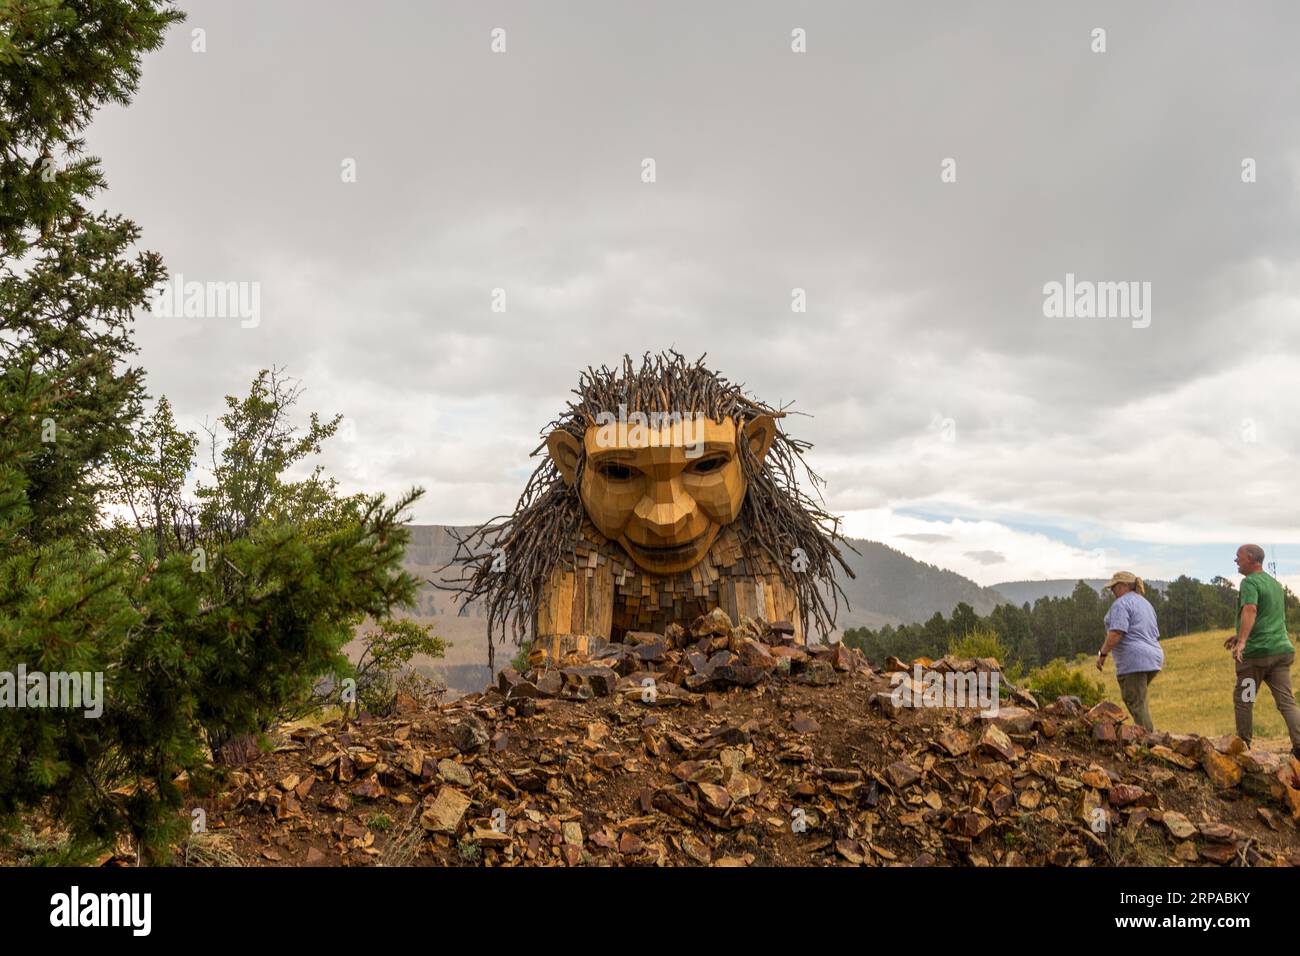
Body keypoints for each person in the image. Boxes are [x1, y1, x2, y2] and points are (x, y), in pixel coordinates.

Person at [1225, 544, 1300, 758]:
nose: (1235, 560)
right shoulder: (1275, 585)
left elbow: (1251, 609)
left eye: (1238, 556)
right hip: (1280, 654)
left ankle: (1244, 747)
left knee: (1245, 698)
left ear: (1250, 558)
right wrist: (1239, 635)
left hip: (1256, 659)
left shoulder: (1249, 582)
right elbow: (1267, 616)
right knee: (1286, 701)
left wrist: (1242, 643)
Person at [1096, 571, 1163, 731]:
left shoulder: (1121, 604)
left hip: (1134, 660)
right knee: (1139, 699)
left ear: (1123, 586)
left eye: (1114, 587)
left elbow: (1117, 632)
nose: (1112, 591)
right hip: (1154, 657)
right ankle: (1146, 737)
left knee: (1135, 702)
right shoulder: (1145, 604)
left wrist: (1102, 653)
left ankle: (1148, 742)